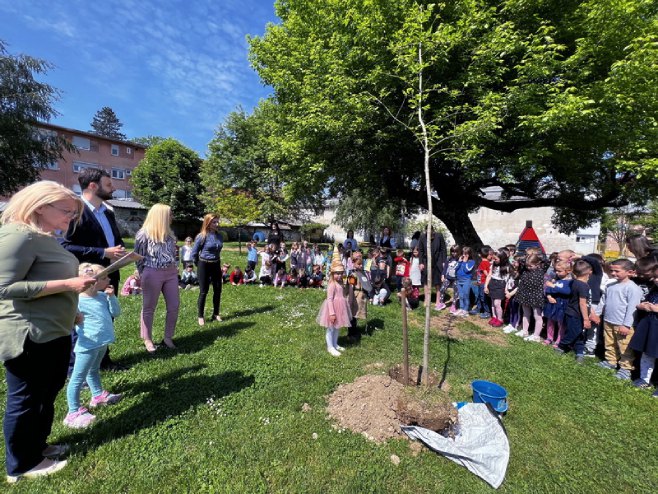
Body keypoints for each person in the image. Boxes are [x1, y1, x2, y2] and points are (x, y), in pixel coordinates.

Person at [0, 181, 96, 483]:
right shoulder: (19, 235)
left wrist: (72, 305)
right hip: (28, 333)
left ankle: (38, 447)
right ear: (41, 206)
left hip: (53, 329)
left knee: (45, 392)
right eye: (67, 211)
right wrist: (69, 285)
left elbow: (44, 278)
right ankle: (21, 464)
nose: (71, 218)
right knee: (27, 397)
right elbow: (4, 287)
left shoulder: (44, 237)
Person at [60, 167, 126, 371]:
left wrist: (122, 253)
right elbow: (65, 245)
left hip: (108, 274)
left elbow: (115, 241)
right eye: (109, 184)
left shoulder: (108, 212)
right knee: (82, 321)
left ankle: (102, 361)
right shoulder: (74, 211)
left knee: (105, 317)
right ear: (93, 186)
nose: (113, 187)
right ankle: (76, 367)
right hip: (85, 278)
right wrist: (102, 252)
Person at [64, 263, 122, 429]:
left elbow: (115, 313)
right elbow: (67, 318)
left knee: (94, 370)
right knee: (77, 378)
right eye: (104, 277)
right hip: (87, 345)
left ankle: (97, 395)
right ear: (92, 282)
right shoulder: (78, 301)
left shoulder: (103, 296)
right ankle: (73, 412)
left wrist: (112, 297)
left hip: (102, 342)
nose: (109, 279)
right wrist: (74, 317)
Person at [134, 204, 180, 352]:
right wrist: (142, 274)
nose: (172, 217)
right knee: (149, 307)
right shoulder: (144, 234)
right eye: (170, 214)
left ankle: (168, 337)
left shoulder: (169, 234)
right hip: (152, 272)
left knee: (174, 306)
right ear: (161, 216)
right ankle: (147, 339)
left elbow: (173, 254)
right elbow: (138, 257)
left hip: (171, 273)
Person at [598, 259, 643, 380]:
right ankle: (610, 361)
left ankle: (625, 368)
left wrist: (626, 325)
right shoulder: (610, 285)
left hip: (623, 324)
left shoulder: (633, 288)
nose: (613, 273)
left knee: (625, 346)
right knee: (609, 342)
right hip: (608, 321)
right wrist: (597, 314)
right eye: (612, 270)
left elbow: (632, 308)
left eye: (617, 271)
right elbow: (603, 301)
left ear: (630, 272)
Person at [317, 247, 352, 356]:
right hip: (332, 308)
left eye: (341, 273)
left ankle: (335, 344)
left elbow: (344, 293)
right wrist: (331, 313)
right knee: (331, 328)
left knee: (337, 327)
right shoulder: (332, 284)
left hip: (340, 307)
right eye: (336, 273)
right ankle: (330, 347)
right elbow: (329, 299)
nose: (339, 275)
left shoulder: (341, 283)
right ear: (332, 273)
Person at [556, 260, 592, 362]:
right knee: (573, 333)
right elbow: (582, 303)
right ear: (589, 271)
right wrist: (586, 319)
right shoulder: (583, 286)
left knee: (579, 334)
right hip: (576, 314)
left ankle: (579, 353)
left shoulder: (574, 282)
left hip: (572, 313)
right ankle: (561, 346)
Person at [630, 265, 658, 395]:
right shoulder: (654, 291)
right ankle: (644, 379)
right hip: (650, 326)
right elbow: (642, 303)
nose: (656, 280)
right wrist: (643, 305)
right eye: (654, 277)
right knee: (647, 353)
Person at [191, 214, 224, 326]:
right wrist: (198, 264)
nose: (217, 224)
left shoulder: (219, 236)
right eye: (214, 222)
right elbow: (194, 253)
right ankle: (200, 316)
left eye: (217, 221)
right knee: (204, 291)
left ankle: (216, 313)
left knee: (218, 289)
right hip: (204, 264)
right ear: (208, 223)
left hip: (216, 264)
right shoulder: (202, 236)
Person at [515, 254, 546, 341]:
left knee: (537, 316)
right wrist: (527, 257)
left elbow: (546, 261)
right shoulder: (525, 270)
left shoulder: (541, 270)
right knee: (525, 313)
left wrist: (538, 257)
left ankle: (536, 335)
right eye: (527, 265)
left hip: (536, 296)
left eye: (531, 266)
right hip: (525, 294)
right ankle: (525, 331)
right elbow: (521, 261)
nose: (528, 267)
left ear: (537, 264)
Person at [542, 260, 572, 346]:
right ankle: (549, 337)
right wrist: (549, 296)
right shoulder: (555, 280)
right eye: (556, 270)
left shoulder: (569, 282)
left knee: (561, 323)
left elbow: (567, 291)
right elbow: (547, 290)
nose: (557, 273)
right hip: (552, 304)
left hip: (562, 305)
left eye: (559, 271)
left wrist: (553, 286)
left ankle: (559, 340)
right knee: (550, 321)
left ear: (568, 271)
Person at [418, 229, 447, 310]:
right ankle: (426, 299)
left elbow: (443, 249)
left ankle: (438, 300)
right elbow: (420, 251)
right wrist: (421, 262)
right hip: (426, 260)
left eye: (432, 233)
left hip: (438, 260)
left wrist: (444, 261)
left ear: (433, 231)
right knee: (426, 280)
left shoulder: (439, 236)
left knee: (438, 281)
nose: (430, 235)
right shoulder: (422, 237)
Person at [484, 249, 511, 327]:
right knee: (492, 303)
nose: (494, 260)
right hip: (492, 283)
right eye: (493, 258)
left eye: (496, 259)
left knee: (497, 303)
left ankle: (500, 319)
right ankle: (494, 317)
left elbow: (508, 279)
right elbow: (489, 275)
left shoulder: (507, 267)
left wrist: (506, 289)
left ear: (502, 258)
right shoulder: (493, 265)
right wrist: (486, 286)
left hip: (500, 285)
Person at [471, 246, 492, 318]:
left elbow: (487, 274)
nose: (491, 256)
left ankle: (487, 311)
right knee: (480, 296)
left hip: (483, 284)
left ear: (481, 254)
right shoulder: (485, 262)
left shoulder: (484, 262)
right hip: (480, 283)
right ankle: (479, 308)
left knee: (483, 298)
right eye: (490, 254)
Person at [455, 246, 476, 316]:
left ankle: (465, 309)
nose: (464, 255)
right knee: (460, 295)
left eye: (466, 254)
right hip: (459, 280)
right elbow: (456, 268)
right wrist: (459, 262)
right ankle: (461, 308)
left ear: (469, 254)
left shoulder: (472, 262)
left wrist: (464, 262)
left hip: (466, 280)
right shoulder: (460, 261)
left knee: (466, 295)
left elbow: (467, 270)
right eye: (463, 253)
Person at [440, 245, 461, 313]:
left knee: (456, 292)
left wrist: (460, 261)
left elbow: (460, 268)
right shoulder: (449, 258)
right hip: (448, 277)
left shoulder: (460, 260)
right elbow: (445, 267)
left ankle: (454, 306)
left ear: (458, 252)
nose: (454, 253)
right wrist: (443, 275)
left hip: (456, 278)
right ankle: (441, 303)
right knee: (442, 289)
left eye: (455, 252)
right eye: (452, 252)